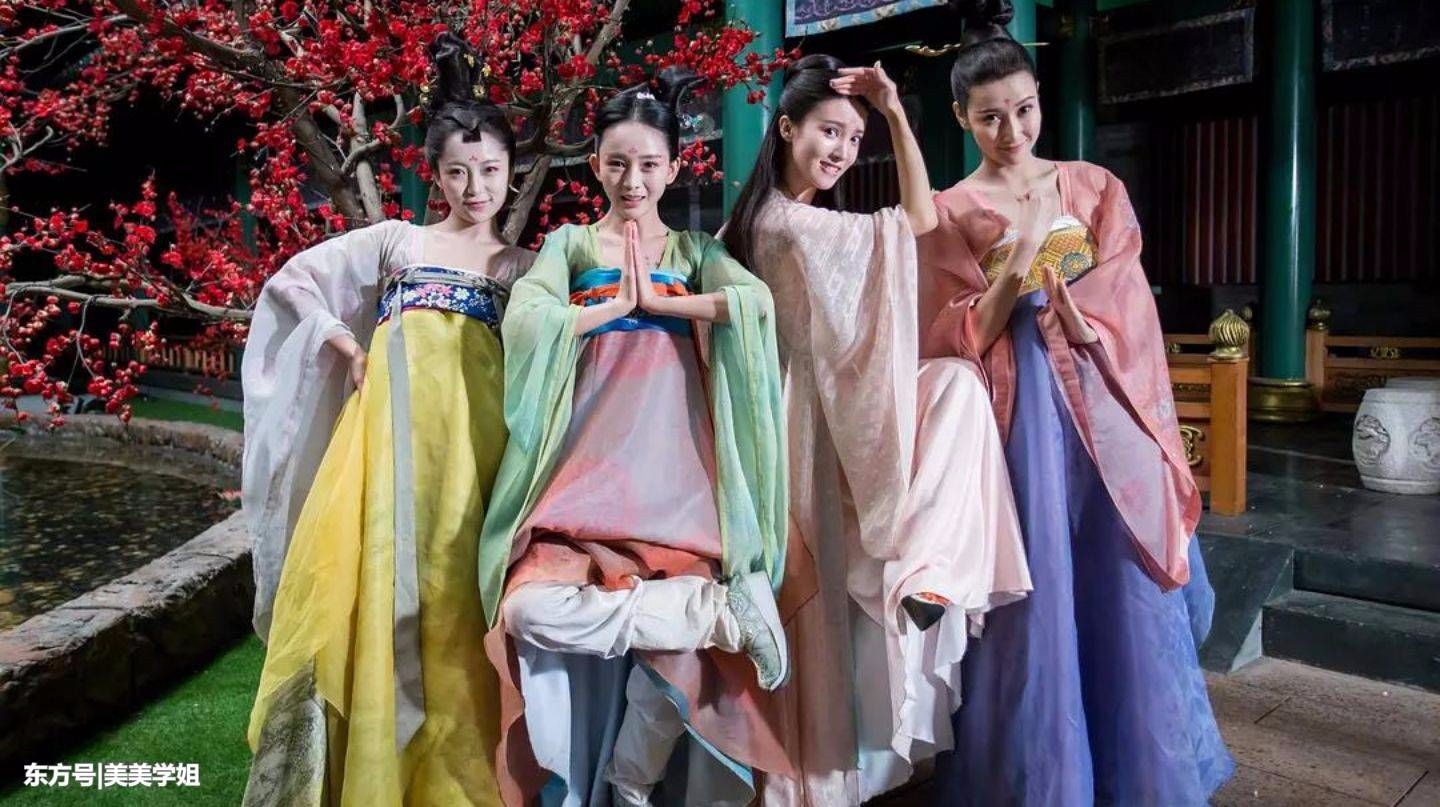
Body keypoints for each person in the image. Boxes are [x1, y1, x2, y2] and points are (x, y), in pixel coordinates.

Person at [917, 2, 1235, 803]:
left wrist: (1082, 317)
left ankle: (1140, 772)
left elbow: (1127, 294)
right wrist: (1020, 264)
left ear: (1039, 101)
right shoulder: (950, 210)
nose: (1011, 130)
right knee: (1039, 580)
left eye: (1023, 109)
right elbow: (952, 329)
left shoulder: (1094, 185)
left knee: (1117, 574)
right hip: (1018, 408)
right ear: (961, 118)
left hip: (1102, 392)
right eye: (990, 117)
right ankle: (1042, 778)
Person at [477, 67, 792, 807]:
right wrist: (608, 308)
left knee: (674, 660)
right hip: (584, 483)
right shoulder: (570, 244)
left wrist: (666, 303)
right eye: (617, 163)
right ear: (594, 164)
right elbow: (527, 316)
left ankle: (629, 782)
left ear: (675, 168)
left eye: (650, 164)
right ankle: (715, 613)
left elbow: (756, 303)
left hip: (675, 487)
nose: (633, 180)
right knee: (526, 610)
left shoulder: (692, 250)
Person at [722, 54, 1031, 805]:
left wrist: (888, 114)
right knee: (820, 599)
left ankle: (924, 573)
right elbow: (919, 221)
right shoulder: (790, 223)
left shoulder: (751, 219)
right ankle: (820, 769)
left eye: (855, 139)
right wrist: (892, 109)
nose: (841, 150)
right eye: (829, 131)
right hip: (807, 415)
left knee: (955, 388)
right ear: (786, 128)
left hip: (818, 403)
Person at [240, 33, 534, 806]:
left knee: (461, 607)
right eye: (459, 171)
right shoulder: (399, 242)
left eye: (491, 170)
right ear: (436, 174)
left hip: (477, 462)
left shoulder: (522, 268)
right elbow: (293, 283)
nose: (476, 186)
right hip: (385, 455)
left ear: (512, 171)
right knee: (378, 596)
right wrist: (347, 345)